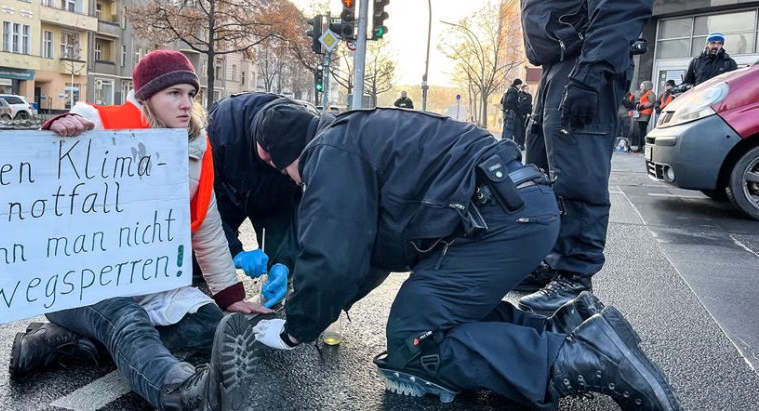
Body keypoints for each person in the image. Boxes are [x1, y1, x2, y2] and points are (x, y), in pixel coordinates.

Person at [248, 105, 680, 410]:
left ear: (280, 154)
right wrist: (313, 304)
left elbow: (334, 257)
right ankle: (573, 330)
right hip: (515, 209)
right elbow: (367, 253)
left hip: (499, 220)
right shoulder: (351, 134)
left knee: (414, 335)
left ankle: (588, 362)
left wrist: (295, 329)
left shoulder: (328, 152)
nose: (292, 182)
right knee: (433, 310)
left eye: (282, 171)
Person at [7, 50, 271, 411]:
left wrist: (230, 296)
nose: (185, 104)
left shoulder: (195, 149)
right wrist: (58, 129)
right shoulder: (98, 125)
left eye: (190, 94)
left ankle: (64, 341)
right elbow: (40, 178)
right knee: (126, 320)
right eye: (173, 93)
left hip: (152, 285)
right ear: (147, 96)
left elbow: (206, 231)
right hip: (81, 285)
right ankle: (181, 391)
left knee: (212, 325)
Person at [517, 0, 654, 313]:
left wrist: (591, 73)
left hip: (586, 61)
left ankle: (574, 275)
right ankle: (552, 262)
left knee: (577, 171)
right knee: (542, 170)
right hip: (559, 63)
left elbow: (624, 6)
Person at [206, 92, 317, 307]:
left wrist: (284, 262)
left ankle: (279, 273)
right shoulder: (222, 128)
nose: (270, 162)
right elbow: (203, 203)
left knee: (279, 252)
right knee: (200, 259)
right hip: (225, 192)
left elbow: (294, 213)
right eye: (267, 156)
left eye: (284, 168)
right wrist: (234, 251)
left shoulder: (303, 138)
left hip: (271, 199)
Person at [632, 81, 656, 153]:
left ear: (647, 86)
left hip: (645, 114)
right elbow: (639, 98)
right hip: (641, 113)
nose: (641, 87)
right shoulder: (645, 93)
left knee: (642, 131)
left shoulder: (650, 93)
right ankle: (641, 146)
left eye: (642, 86)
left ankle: (641, 146)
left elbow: (652, 103)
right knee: (641, 131)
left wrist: (642, 106)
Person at [517, 84, 533, 150]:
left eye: (528, 89)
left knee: (523, 130)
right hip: (521, 114)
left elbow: (529, 105)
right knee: (520, 130)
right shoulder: (520, 95)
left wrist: (529, 113)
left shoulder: (528, 96)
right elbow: (525, 105)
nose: (527, 90)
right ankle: (519, 143)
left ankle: (521, 144)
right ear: (523, 89)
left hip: (524, 115)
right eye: (526, 89)